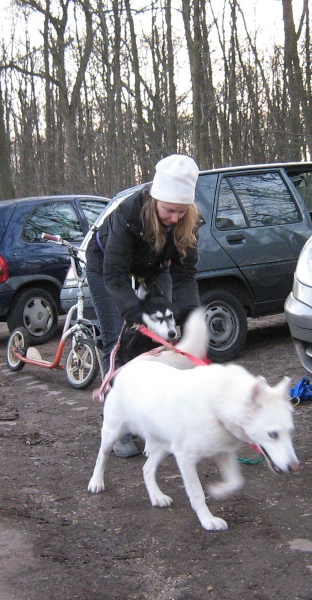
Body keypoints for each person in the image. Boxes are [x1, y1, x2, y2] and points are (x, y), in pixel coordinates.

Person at [86, 153, 202, 458]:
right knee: (119, 339)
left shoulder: (187, 222)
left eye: (181, 211)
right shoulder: (128, 215)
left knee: (161, 341)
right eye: (169, 210)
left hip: (152, 268)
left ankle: (154, 418)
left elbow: (185, 274)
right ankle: (118, 426)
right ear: (154, 200)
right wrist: (133, 314)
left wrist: (189, 314)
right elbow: (114, 275)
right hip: (106, 269)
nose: (175, 218)